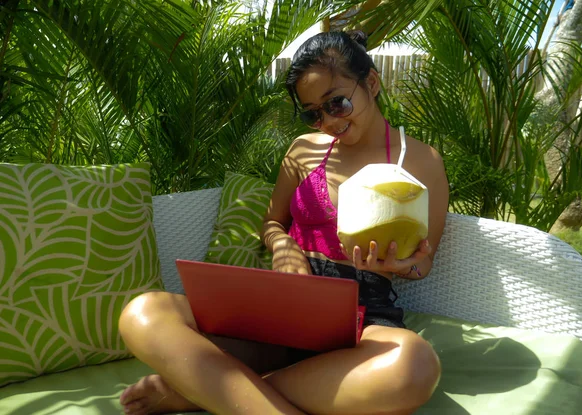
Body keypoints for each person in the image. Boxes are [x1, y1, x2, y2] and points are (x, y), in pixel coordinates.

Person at [118, 30, 448, 415]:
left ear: (371, 83)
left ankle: (206, 392)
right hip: (285, 303)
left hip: (362, 312)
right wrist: (283, 245)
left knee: (415, 366)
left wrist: (398, 265)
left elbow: (422, 263)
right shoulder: (303, 150)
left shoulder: (421, 161)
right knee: (143, 313)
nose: (327, 122)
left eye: (337, 103)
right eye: (313, 113)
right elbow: (272, 223)